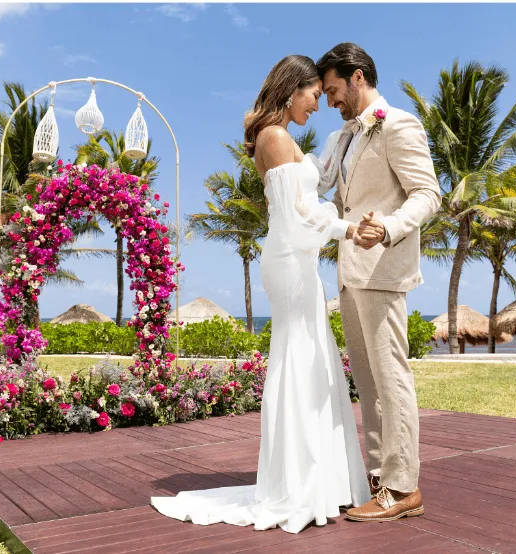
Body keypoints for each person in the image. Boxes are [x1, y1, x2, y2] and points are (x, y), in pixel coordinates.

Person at [150, 54, 371, 533]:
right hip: (291, 260)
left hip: (296, 258)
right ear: (294, 89)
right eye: (315, 95)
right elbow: (298, 220)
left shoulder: (282, 136)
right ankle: (298, 482)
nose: (318, 104)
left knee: (311, 360)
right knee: (300, 360)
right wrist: (348, 229)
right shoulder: (273, 137)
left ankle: (318, 478)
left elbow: (308, 197)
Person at [316, 42, 441, 522]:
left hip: (383, 269)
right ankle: (378, 479)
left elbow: (427, 193)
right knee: (367, 383)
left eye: (332, 90)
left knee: (392, 378)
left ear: (358, 77)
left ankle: (403, 487)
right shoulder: (346, 136)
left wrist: (388, 228)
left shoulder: (399, 124)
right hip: (350, 274)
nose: (330, 100)